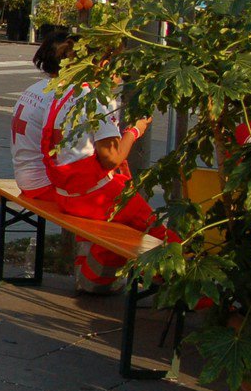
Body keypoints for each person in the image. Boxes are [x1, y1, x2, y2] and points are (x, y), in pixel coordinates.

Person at [11, 26, 169, 291]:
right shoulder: (77, 95)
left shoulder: (42, 90)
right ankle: (98, 276)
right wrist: (134, 131)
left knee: (113, 211)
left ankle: (95, 275)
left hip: (40, 179)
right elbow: (108, 157)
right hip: (54, 186)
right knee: (128, 221)